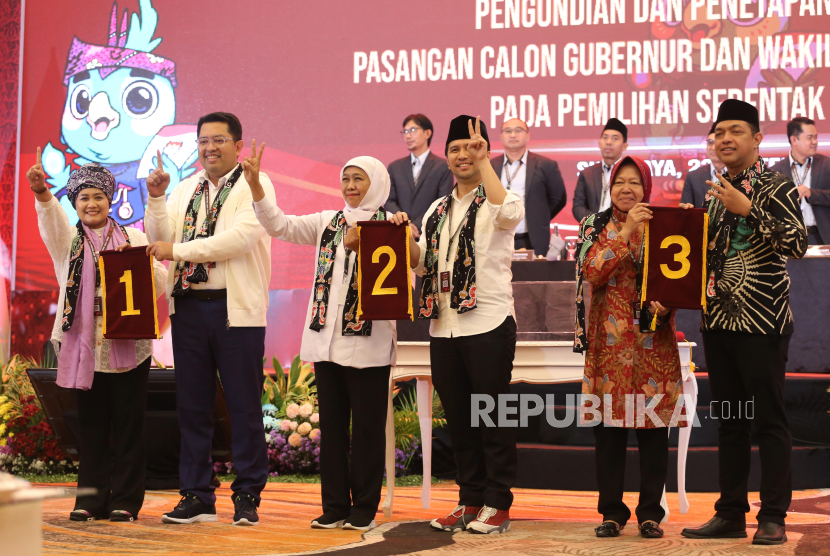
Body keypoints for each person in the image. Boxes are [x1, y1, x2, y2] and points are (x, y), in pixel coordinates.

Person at [247, 149, 405, 532]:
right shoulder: (326, 222)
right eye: (346, 179)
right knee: (332, 430)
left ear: (377, 184)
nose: (350, 187)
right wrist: (255, 186)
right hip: (326, 341)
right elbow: (280, 226)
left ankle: (363, 506)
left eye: (358, 179)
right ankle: (334, 506)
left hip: (370, 345)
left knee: (367, 431)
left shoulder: (393, 225)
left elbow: (410, 269)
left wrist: (392, 236)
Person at [681, 99, 807, 545]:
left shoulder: (777, 185)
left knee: (767, 420)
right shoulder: (714, 192)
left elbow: (797, 244)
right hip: (719, 325)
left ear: (757, 138)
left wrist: (749, 208)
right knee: (732, 420)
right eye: (719, 132)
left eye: (736, 130)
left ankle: (773, 515)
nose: (726, 139)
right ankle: (731, 512)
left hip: (761, 324)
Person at [143, 112, 274, 526]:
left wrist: (177, 251)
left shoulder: (255, 185)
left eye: (219, 140)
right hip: (190, 309)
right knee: (193, 408)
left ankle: (248, 494)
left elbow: (238, 240)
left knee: (243, 407)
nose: (209, 148)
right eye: (203, 141)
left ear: (238, 145)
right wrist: (158, 199)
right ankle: (197, 494)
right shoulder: (185, 188)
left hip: (236, 310)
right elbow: (158, 238)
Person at [28, 153, 167, 523]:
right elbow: (51, 220)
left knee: (128, 426)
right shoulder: (68, 242)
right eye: (83, 198)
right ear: (75, 202)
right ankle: (89, 500)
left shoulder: (133, 236)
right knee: (90, 428)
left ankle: (125, 501)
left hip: (129, 344)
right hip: (83, 345)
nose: (91, 204)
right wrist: (42, 191)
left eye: (98, 197)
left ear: (110, 200)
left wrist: (138, 266)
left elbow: (161, 282)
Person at [408, 116, 523, 535]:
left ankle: (499, 504)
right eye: (455, 148)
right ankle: (470, 500)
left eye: (471, 147)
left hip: (489, 323)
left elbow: (508, 214)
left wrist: (487, 163)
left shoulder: (501, 196)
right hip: (445, 326)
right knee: (460, 420)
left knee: (492, 418)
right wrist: (405, 240)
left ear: (484, 151)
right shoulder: (438, 208)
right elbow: (422, 263)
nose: (462, 155)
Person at [573, 156, 686, 539]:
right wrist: (625, 233)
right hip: (609, 343)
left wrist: (669, 301)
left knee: (653, 431)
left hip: (654, 342)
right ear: (609, 186)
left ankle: (651, 514)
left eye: (635, 182)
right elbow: (591, 272)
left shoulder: (664, 225)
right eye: (619, 181)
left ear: (647, 187)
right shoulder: (594, 225)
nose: (626, 188)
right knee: (609, 433)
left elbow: (681, 276)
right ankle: (611, 513)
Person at [490, 118, 567, 255]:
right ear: (501, 136)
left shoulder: (546, 165)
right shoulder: (490, 167)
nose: (513, 135)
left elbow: (558, 199)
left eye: (518, 130)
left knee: (534, 276)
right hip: (497, 239)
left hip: (532, 239)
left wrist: (538, 216)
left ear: (528, 135)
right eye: (508, 131)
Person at [386, 114, 454, 239]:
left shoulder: (444, 166)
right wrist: (405, 224)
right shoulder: (394, 167)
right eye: (405, 131)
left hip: (430, 234)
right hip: (399, 233)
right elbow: (389, 200)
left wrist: (416, 225)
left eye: (412, 130)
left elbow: (443, 202)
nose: (407, 136)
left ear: (427, 133)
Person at [771, 117, 829, 244]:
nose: (815, 142)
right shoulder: (775, 172)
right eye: (809, 138)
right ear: (794, 140)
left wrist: (812, 194)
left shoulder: (827, 165)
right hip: (789, 242)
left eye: (816, 137)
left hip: (822, 239)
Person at [572, 118, 628, 222]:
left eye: (615, 138)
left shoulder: (633, 174)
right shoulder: (587, 174)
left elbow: (638, 208)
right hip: (592, 233)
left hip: (622, 232)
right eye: (605, 138)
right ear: (599, 144)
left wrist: (612, 224)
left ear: (625, 146)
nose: (609, 142)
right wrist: (598, 222)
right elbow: (578, 207)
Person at [681, 123, 726, 208]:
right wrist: (685, 209)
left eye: (717, 143)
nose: (713, 147)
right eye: (710, 143)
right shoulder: (693, 177)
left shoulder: (740, 174)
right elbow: (685, 209)